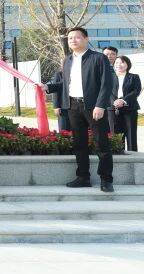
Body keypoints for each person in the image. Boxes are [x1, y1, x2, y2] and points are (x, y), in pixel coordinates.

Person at [43, 27, 115, 192]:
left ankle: (106, 179)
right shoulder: (68, 60)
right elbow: (65, 83)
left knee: (101, 143)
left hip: (93, 106)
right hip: (73, 106)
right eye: (70, 38)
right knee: (79, 143)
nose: (73, 40)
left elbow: (106, 83)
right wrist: (48, 87)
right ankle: (83, 177)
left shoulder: (98, 58)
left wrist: (100, 105)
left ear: (86, 39)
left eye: (77, 37)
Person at [109, 55, 140, 152]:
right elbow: (106, 91)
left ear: (128, 65)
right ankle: (118, 153)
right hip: (112, 109)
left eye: (122, 62)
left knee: (131, 133)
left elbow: (136, 91)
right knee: (115, 133)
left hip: (129, 108)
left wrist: (122, 100)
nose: (119, 64)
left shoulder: (134, 77)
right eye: (117, 62)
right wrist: (114, 101)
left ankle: (133, 154)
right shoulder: (109, 77)